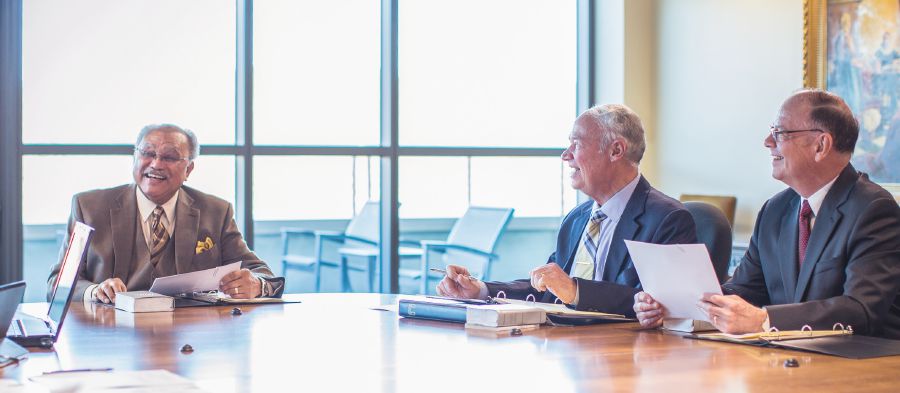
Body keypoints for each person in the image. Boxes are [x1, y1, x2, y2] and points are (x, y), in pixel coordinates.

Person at [634, 90, 900, 338]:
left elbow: (860, 309)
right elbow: (746, 291)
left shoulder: (873, 209)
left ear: (821, 145)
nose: (767, 141)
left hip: (859, 369)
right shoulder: (775, 210)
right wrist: (674, 307)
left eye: (780, 132)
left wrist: (765, 320)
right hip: (786, 365)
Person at [436, 104, 697, 317]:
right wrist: (481, 291)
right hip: (567, 352)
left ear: (616, 150)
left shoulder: (667, 220)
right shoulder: (577, 218)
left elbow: (661, 304)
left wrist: (575, 290)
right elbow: (548, 288)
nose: (565, 155)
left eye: (576, 144)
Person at [47, 124, 285, 303]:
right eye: (147, 153)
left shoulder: (216, 211)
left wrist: (257, 286)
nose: (156, 164)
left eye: (169, 157)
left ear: (189, 169)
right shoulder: (88, 207)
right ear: (135, 158)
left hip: (187, 337)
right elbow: (57, 285)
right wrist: (94, 291)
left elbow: (262, 274)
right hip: (110, 333)